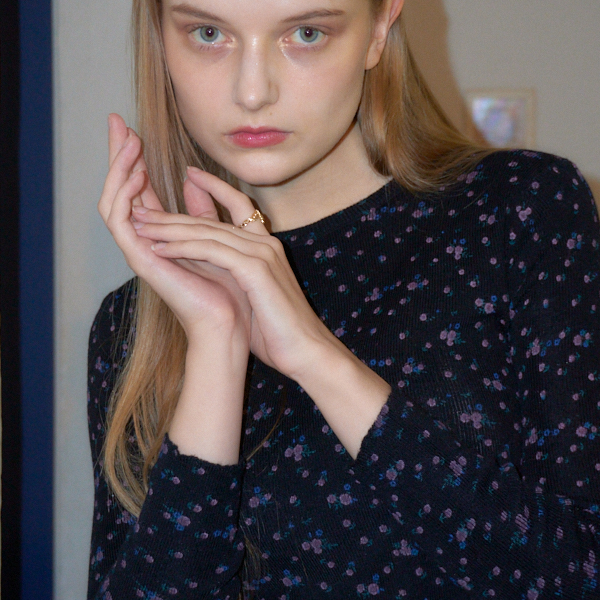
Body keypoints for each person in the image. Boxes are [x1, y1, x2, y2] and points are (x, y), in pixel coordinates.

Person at [87, 0, 600, 597]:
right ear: (160, 39)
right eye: (208, 33)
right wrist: (216, 342)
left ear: (379, 27)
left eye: (306, 33)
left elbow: (581, 572)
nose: (252, 92)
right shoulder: (132, 323)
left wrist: (315, 356)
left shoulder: (517, 211)